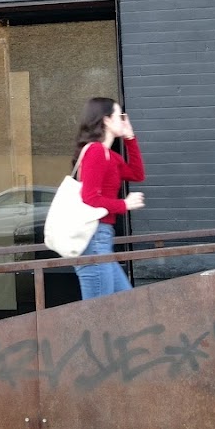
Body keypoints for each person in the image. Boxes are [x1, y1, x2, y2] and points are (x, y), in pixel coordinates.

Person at [74, 97, 145, 299]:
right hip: (94, 239)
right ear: (106, 120)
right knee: (100, 311)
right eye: (120, 115)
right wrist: (124, 204)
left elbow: (137, 174)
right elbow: (90, 198)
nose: (124, 120)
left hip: (102, 239)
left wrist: (130, 138)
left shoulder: (109, 156)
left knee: (125, 303)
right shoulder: (95, 151)